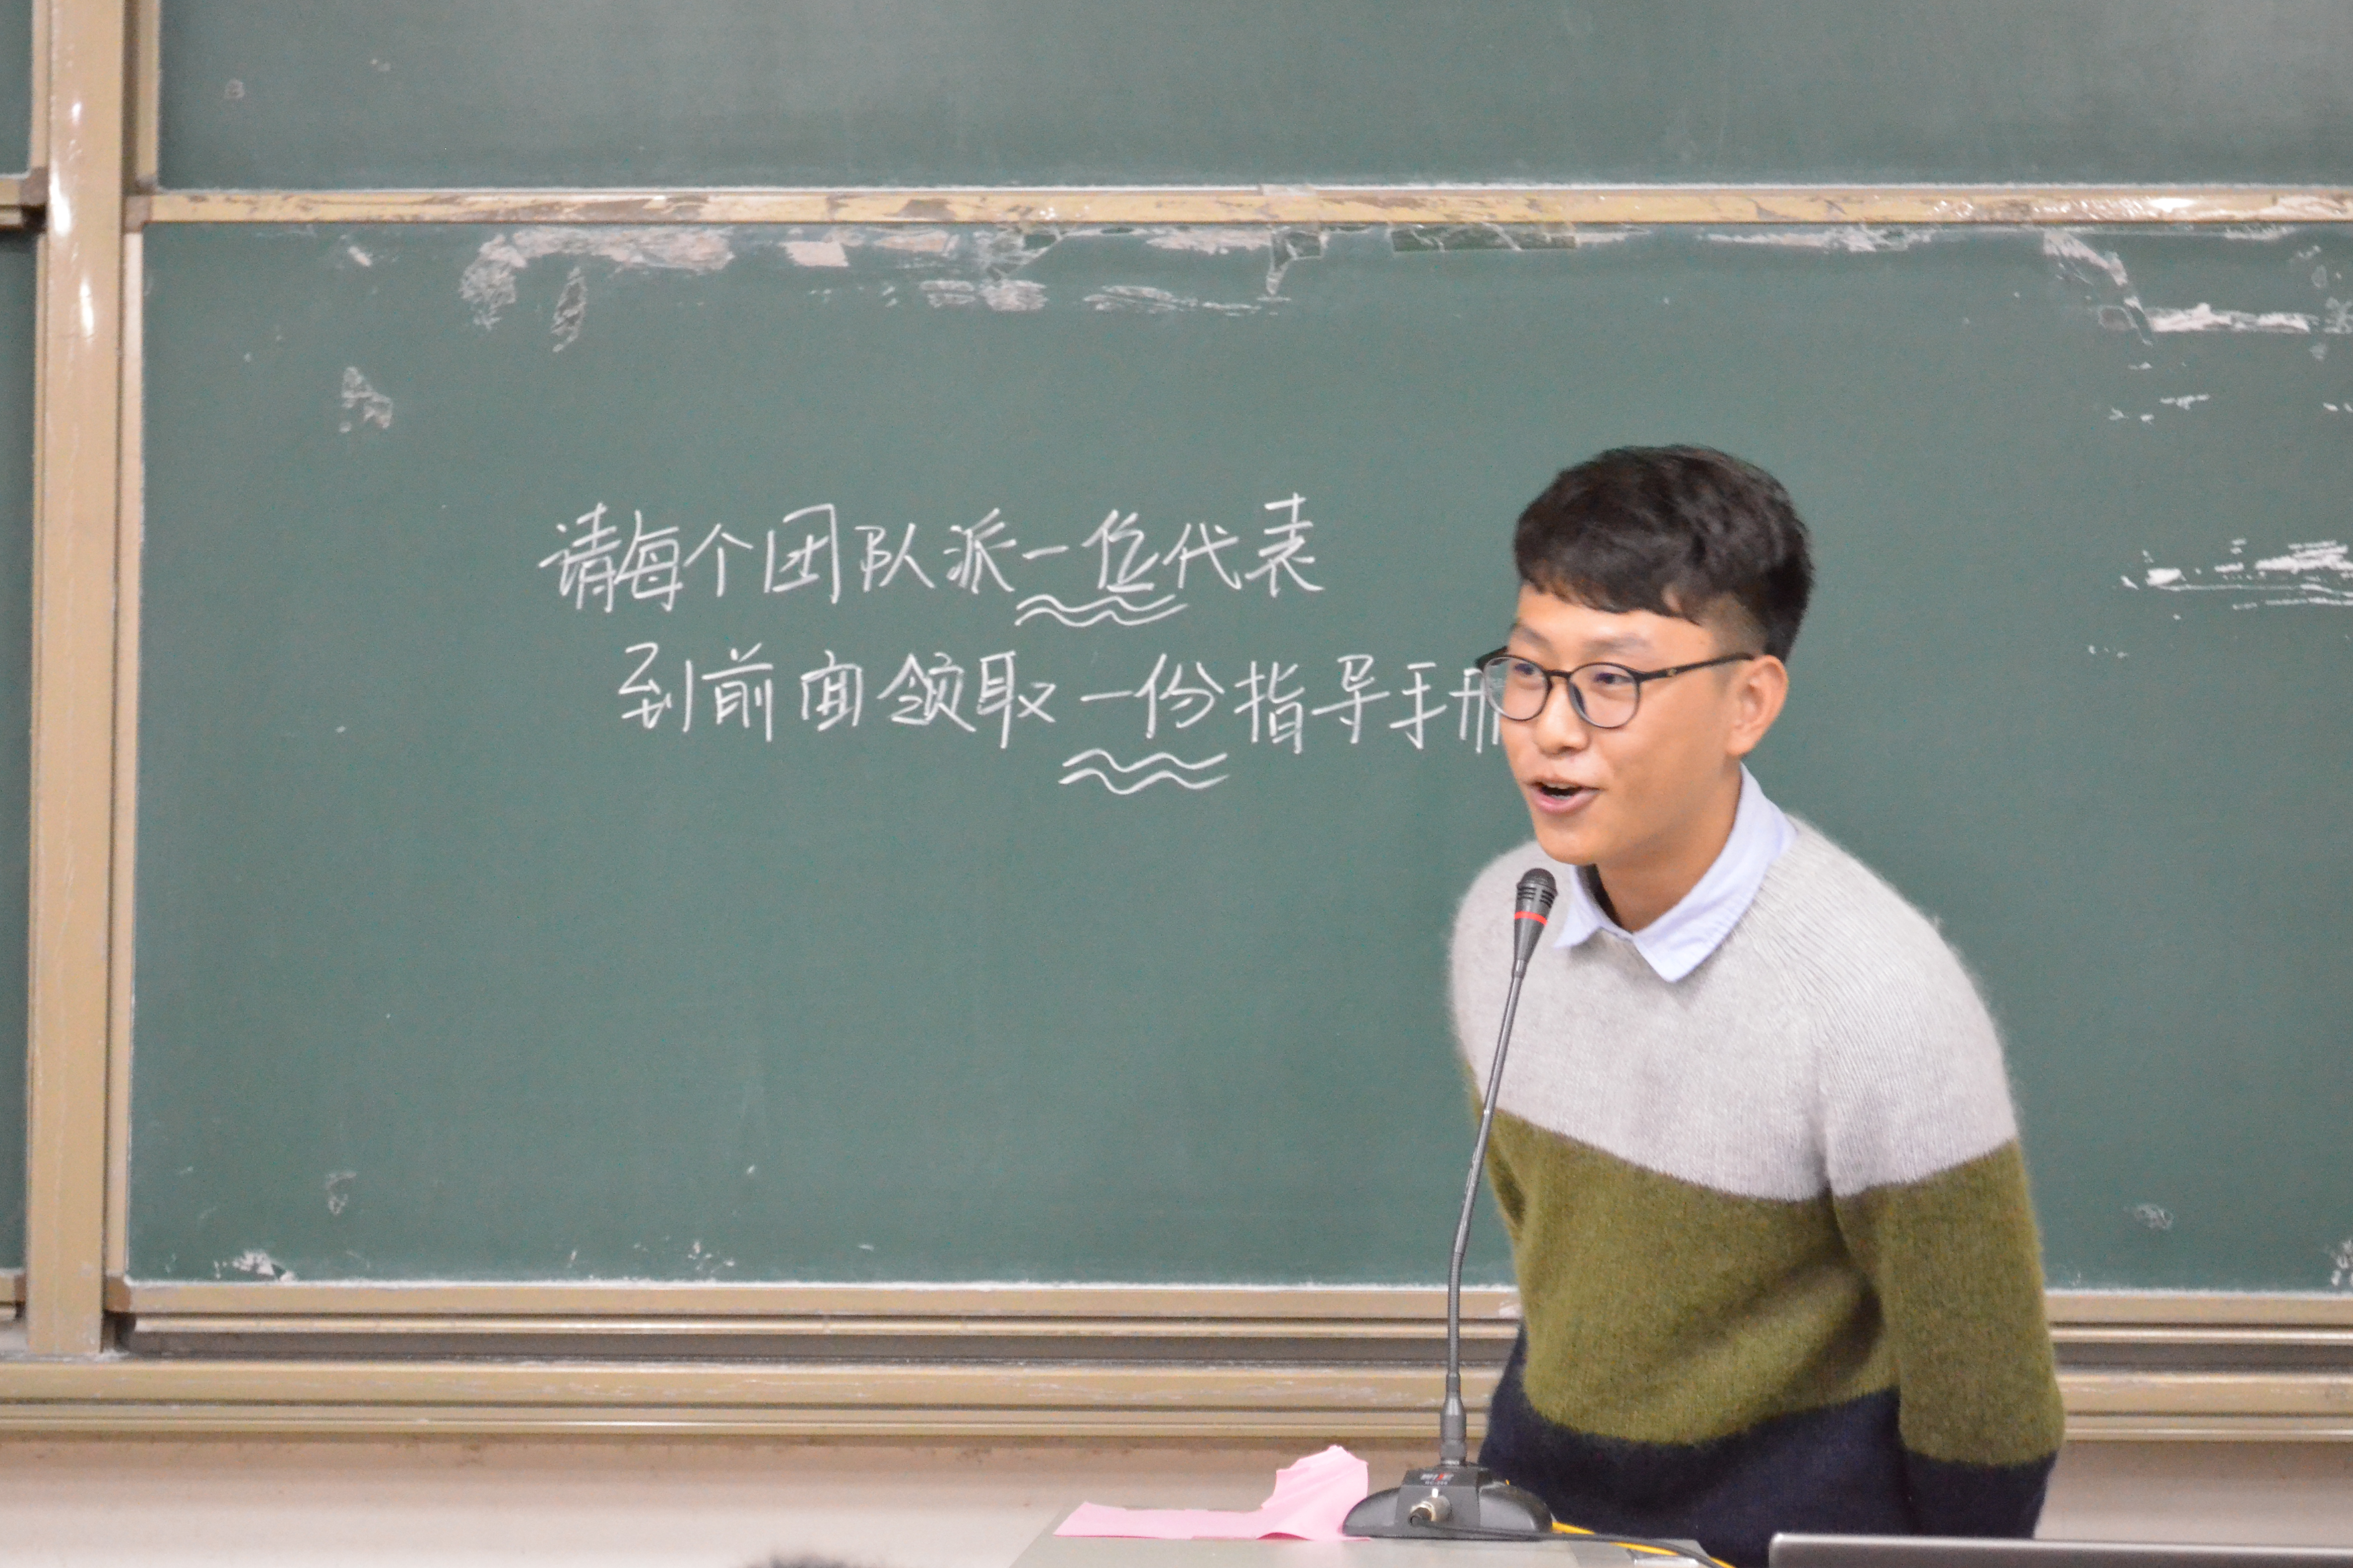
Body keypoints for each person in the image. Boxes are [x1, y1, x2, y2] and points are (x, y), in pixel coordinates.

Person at [1451, 446, 2065, 1566]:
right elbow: (1553, 1261)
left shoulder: (1877, 996)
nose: (1551, 727)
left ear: (1748, 703)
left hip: (1784, 1543)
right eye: (1528, 670)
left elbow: (1988, 1402)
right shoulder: (1506, 923)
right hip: (1543, 1525)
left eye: (1612, 681)